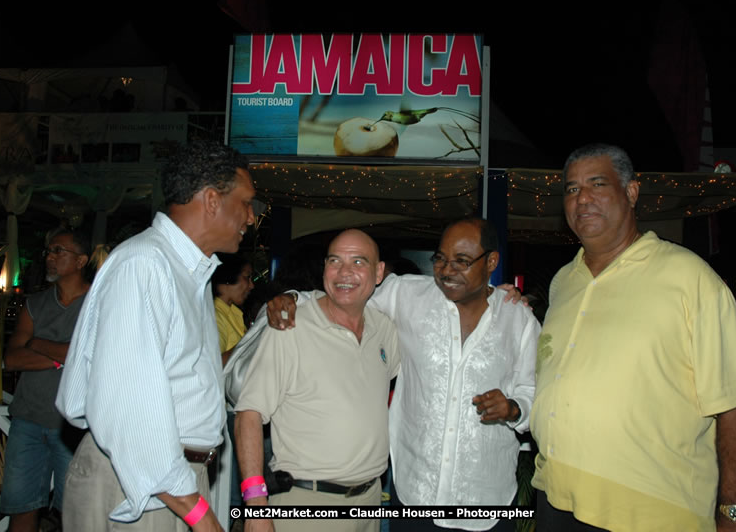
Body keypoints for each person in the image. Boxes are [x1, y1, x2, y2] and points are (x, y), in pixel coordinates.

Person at [531, 143, 736, 531]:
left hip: (651, 512)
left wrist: (734, 513)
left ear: (631, 193)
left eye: (597, 184)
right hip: (556, 498)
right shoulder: (563, 282)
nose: (582, 198)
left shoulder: (689, 278)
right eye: (571, 189)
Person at [266, 219, 538, 531]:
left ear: (491, 261)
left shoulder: (519, 320)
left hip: (486, 500)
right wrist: (294, 298)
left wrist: (514, 409)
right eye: (440, 259)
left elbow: (531, 393)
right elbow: (345, 295)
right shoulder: (407, 294)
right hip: (414, 495)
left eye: (461, 262)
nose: (447, 271)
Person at [56, 141, 256, 531]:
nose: (251, 217)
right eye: (246, 202)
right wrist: (201, 516)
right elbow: (132, 415)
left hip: (171, 485)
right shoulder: (145, 265)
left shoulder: (189, 273)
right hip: (138, 487)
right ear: (212, 200)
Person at [235, 229, 400, 532]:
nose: (344, 272)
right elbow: (249, 414)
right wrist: (256, 507)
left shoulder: (384, 330)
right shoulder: (289, 326)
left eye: (358, 262)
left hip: (370, 504)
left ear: (379, 273)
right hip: (307, 505)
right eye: (334, 260)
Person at [1, 228, 91, 532]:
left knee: (74, 515)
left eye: (58, 251)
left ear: (81, 260)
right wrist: (64, 357)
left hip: (74, 427)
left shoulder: (97, 303)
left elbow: (92, 356)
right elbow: (11, 358)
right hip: (27, 421)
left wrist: (36, 342)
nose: (49, 258)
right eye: (49, 252)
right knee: (21, 510)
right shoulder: (35, 303)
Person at [212, 254, 254, 366]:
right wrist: (251, 343)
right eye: (247, 277)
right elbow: (214, 364)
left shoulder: (233, 314)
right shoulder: (215, 317)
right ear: (228, 277)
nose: (251, 285)